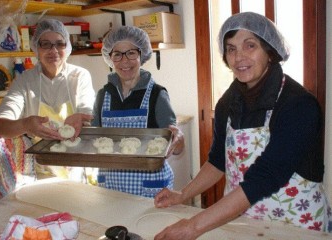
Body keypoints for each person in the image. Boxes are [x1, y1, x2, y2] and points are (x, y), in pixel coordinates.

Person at [154, 12, 332, 239]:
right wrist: (182, 194)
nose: (239, 57)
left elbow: (267, 175)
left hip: (296, 226)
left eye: (250, 45)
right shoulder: (228, 103)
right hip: (245, 223)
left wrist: (194, 225)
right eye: (231, 49)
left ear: (269, 51)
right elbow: (218, 162)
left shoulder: (297, 104)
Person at [0, 19, 95, 179]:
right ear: (36, 48)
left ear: (67, 47)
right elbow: (0, 127)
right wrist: (25, 124)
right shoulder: (24, 81)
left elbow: (87, 113)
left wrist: (81, 118)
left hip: (76, 163)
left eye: (59, 44)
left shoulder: (79, 76)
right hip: (40, 169)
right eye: (45, 44)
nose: (53, 50)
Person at [91, 25, 184, 198]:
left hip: (149, 188)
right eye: (117, 54)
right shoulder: (103, 95)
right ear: (109, 58)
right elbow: (92, 140)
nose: (124, 61)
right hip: (111, 187)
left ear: (142, 55)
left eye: (131, 53)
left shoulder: (157, 95)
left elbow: (176, 146)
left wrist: (179, 140)